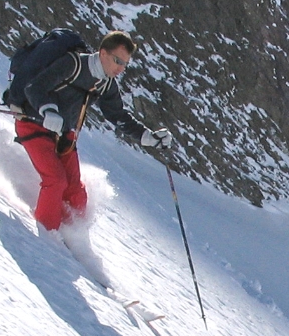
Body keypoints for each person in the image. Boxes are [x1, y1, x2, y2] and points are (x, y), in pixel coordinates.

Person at [12, 30, 171, 231]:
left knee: (76, 193)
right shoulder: (74, 64)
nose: (121, 68)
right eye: (118, 61)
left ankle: (72, 238)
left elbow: (117, 115)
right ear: (103, 53)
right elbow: (35, 87)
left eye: (125, 64)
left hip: (64, 135)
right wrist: (48, 110)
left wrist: (148, 137)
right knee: (55, 180)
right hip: (33, 123)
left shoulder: (106, 84)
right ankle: (46, 240)